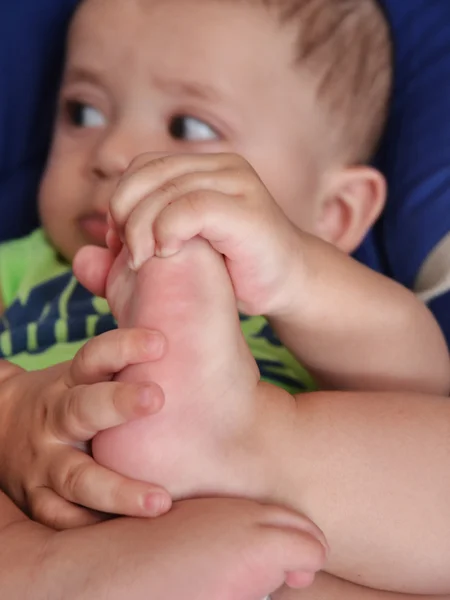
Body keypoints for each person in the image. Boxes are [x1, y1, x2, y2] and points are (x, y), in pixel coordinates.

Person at [0, 0, 449, 598]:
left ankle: (249, 441)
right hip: (64, 523)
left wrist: (298, 272)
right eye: (82, 111)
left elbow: (416, 381)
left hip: (284, 529)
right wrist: (11, 414)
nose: (111, 153)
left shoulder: (305, 287)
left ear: (335, 212)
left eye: (188, 127)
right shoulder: (18, 265)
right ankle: (45, 572)